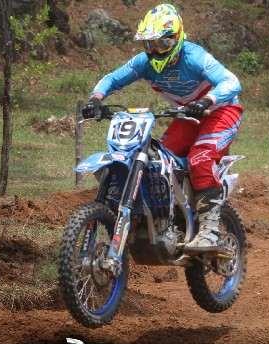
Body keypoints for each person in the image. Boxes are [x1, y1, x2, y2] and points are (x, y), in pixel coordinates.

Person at [83, 4, 243, 254]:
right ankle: (168, 217)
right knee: (158, 162)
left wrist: (207, 100)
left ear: (177, 38)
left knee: (200, 158)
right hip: (188, 116)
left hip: (221, 110)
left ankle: (210, 230)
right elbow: (112, 78)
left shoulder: (194, 56)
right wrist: (96, 99)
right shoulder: (143, 62)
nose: (155, 51)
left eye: (162, 44)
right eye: (149, 45)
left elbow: (231, 81)